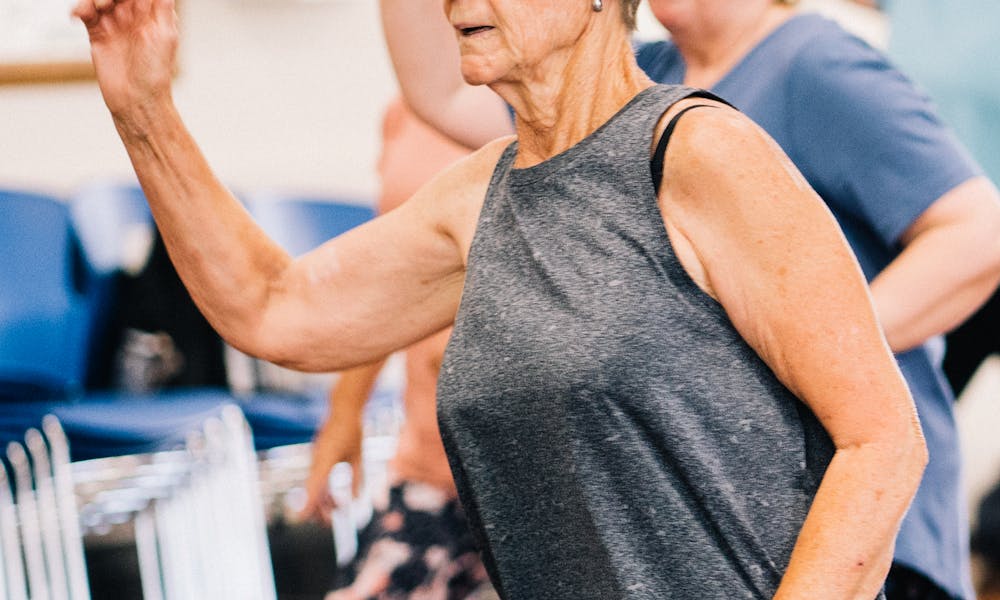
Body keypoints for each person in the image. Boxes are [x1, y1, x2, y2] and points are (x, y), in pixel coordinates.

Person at [74, 0, 928, 597]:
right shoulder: (477, 196)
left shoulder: (700, 155)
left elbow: (882, 443)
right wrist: (143, 106)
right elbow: (273, 308)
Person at [379, 0, 1000, 597]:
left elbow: (979, 234)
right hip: (734, 530)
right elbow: (439, 92)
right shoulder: (655, 77)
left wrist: (804, 350)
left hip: (856, 531)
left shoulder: (814, 65)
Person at [299, 97, 493, 599]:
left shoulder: (562, 105)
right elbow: (390, 279)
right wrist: (345, 409)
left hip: (541, 482)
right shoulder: (408, 111)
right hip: (433, 462)